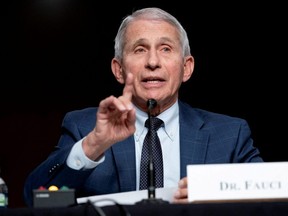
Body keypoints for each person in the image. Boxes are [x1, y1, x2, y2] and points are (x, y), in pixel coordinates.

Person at [23, 7, 263, 207]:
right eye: (140, 50)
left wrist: (214, 192)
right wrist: (94, 144)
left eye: (165, 49)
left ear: (187, 67)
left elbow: (272, 195)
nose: (152, 62)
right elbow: (37, 200)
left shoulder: (230, 134)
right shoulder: (84, 127)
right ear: (118, 69)